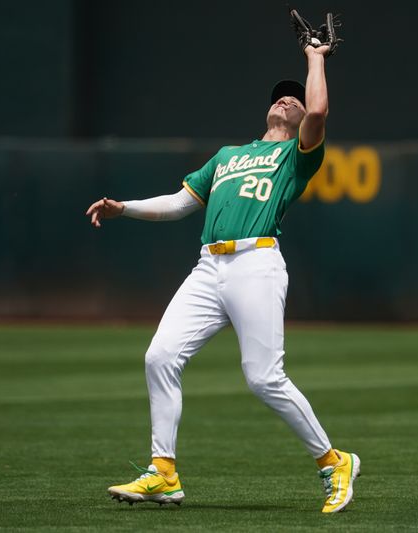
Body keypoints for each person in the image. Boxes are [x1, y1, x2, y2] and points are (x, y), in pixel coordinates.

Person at [85, 41, 359, 514]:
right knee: (160, 355)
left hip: (257, 262)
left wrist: (315, 58)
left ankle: (334, 461)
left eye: (293, 99)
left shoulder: (299, 155)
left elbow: (319, 108)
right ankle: (163, 472)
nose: (286, 100)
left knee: (263, 378)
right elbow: (179, 203)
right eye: (279, 96)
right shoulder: (228, 155)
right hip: (208, 267)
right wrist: (124, 208)